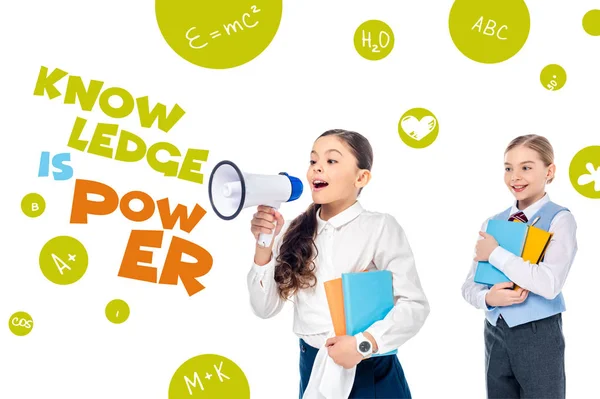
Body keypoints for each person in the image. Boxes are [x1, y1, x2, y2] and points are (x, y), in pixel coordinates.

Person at [247, 129, 429, 398]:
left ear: (361, 177)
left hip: (370, 369)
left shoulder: (380, 227)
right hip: (313, 366)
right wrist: (264, 245)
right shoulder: (294, 233)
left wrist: (362, 344)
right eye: (313, 161)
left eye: (332, 161)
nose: (317, 167)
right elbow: (264, 308)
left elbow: (415, 305)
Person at [462, 134, 578, 399]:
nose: (515, 176)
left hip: (538, 333)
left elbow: (548, 284)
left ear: (549, 171)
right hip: (494, 331)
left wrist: (495, 254)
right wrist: (488, 297)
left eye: (526, 167)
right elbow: (469, 286)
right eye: (508, 168)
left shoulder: (560, 219)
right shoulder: (493, 223)